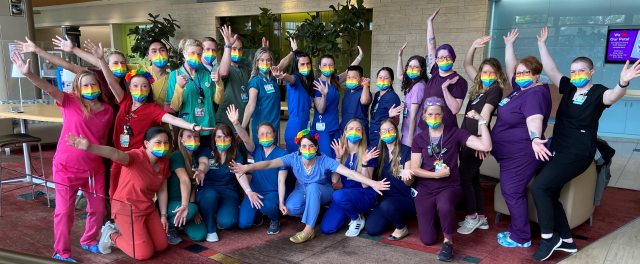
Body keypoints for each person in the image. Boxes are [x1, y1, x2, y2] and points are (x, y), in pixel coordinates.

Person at [530, 27, 640, 261]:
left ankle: (549, 238)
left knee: (540, 187)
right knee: (549, 192)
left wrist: (622, 83)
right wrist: (542, 45)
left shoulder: (598, 92)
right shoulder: (569, 87)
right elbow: (551, 69)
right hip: (557, 147)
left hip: (578, 152)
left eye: (581, 70)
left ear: (592, 71)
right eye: (573, 71)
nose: (577, 74)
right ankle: (567, 242)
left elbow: (612, 96)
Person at [11, 53, 114, 263]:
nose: (90, 88)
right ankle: (61, 252)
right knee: (64, 212)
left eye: (93, 84)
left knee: (98, 208)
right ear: (78, 88)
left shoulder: (108, 110)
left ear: (99, 86)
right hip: (66, 167)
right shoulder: (69, 101)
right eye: (85, 85)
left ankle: (89, 239)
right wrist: (28, 73)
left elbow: (101, 139)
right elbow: (48, 88)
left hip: (94, 169)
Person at [85, 42, 212, 197]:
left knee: (134, 194)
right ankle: (115, 220)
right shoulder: (124, 100)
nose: (140, 90)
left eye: (144, 86)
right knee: (114, 192)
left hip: (138, 161)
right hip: (118, 155)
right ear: (129, 88)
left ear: (149, 89)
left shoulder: (152, 109)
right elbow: (111, 82)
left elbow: (171, 118)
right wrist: (101, 60)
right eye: (136, 86)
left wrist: (192, 126)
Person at [229, 129, 390, 244]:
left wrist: (373, 183)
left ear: (316, 148)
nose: (307, 149)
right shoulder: (293, 158)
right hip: (302, 190)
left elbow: (350, 173)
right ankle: (313, 213)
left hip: (323, 190)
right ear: (299, 148)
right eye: (304, 146)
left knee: (313, 187)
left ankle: (309, 229)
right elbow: (269, 163)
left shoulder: (324, 159)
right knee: (290, 208)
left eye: (311, 146)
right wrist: (246, 167)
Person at [67, 127, 170, 261]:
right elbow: (115, 154)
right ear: (146, 143)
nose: (163, 146)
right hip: (126, 209)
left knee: (161, 245)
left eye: (166, 143)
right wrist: (89, 147)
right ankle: (110, 234)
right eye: (158, 142)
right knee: (143, 253)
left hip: (147, 208)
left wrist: (163, 215)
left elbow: (162, 190)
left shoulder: (164, 162)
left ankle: (135, 235)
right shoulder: (136, 156)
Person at [410, 97, 492, 262]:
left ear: (443, 115)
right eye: (430, 114)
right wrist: (435, 175)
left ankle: (448, 241)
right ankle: (437, 220)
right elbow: (414, 168)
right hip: (425, 188)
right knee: (428, 239)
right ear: (424, 116)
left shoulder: (455, 133)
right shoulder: (419, 139)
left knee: (445, 205)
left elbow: (486, 146)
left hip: (449, 186)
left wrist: (482, 121)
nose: (434, 118)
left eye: (437, 114)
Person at [492, 28, 552, 248]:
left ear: (536, 74)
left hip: (521, 154)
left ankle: (521, 237)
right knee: (512, 191)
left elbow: (534, 120)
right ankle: (521, 233)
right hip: (509, 155)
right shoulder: (520, 89)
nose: (520, 76)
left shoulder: (535, 93)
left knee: (512, 192)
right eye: (519, 73)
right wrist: (509, 46)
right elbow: (510, 69)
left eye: (526, 73)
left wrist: (536, 139)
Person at [456, 36, 506, 235]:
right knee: (474, 178)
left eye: (491, 72)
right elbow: (467, 63)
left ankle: (472, 216)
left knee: (464, 178)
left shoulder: (494, 90)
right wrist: (473, 46)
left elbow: (484, 116)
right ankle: (481, 217)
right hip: (467, 138)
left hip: (474, 140)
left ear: (497, 74)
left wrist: (481, 144)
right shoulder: (479, 87)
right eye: (484, 71)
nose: (487, 74)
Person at [216, 26, 295, 131]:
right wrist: (227, 46)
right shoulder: (221, 66)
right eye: (233, 48)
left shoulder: (245, 67)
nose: (237, 52)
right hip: (227, 120)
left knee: (245, 145)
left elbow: (279, 65)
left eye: (239, 49)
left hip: (246, 119)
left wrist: (293, 52)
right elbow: (250, 105)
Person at [227, 105, 288, 235]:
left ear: (274, 133)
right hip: (255, 192)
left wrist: (281, 201)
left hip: (272, 193)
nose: (265, 136)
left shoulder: (283, 153)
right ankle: (259, 215)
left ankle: (275, 219)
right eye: (262, 134)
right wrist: (236, 123)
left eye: (268, 133)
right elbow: (245, 138)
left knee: (268, 206)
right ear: (258, 137)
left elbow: (282, 180)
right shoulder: (256, 150)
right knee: (244, 224)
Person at [320, 119, 379, 236]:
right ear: (345, 133)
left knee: (337, 195)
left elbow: (366, 184)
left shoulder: (368, 151)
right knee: (327, 228)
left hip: (364, 194)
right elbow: (334, 180)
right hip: (345, 195)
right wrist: (338, 158)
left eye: (358, 129)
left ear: (362, 134)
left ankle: (357, 218)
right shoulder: (340, 151)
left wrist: (364, 164)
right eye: (351, 129)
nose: (354, 132)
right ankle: (351, 212)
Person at [166, 38, 224, 153]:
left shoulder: (206, 74)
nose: (196, 56)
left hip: (207, 126)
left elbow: (218, 101)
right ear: (184, 53)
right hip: (189, 128)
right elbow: (174, 108)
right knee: (190, 163)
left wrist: (219, 84)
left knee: (208, 161)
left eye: (199, 54)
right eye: (192, 53)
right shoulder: (175, 75)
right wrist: (179, 87)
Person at [364, 119, 415, 240]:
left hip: (405, 199)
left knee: (388, 205)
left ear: (396, 132)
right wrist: (365, 163)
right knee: (372, 229)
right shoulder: (377, 153)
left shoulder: (406, 150)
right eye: (384, 131)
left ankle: (401, 228)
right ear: (380, 135)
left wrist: (408, 176)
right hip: (384, 200)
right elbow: (366, 183)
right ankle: (392, 216)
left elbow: (409, 182)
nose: (387, 133)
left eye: (390, 129)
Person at [195, 124, 243, 242]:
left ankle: (215, 213)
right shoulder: (206, 151)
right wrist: (201, 171)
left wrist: (248, 191)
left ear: (231, 139)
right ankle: (211, 228)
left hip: (228, 192)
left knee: (228, 222)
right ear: (214, 139)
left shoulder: (236, 155)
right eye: (219, 137)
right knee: (211, 195)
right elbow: (204, 163)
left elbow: (240, 173)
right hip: (208, 191)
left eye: (226, 137)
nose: (222, 140)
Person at [421, 8, 468, 129]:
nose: (444, 60)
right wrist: (429, 23)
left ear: (453, 58)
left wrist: (445, 89)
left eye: (447, 57)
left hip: (445, 130)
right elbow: (431, 45)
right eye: (440, 57)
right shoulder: (435, 72)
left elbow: (455, 109)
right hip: (426, 127)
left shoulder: (459, 81)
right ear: (436, 60)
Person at [311, 50, 364, 157]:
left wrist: (360, 56)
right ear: (320, 67)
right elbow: (320, 109)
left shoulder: (336, 81)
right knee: (326, 156)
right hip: (322, 128)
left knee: (337, 156)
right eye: (324, 65)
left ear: (334, 66)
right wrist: (324, 95)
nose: (328, 67)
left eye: (330, 65)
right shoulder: (317, 84)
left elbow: (348, 71)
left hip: (335, 127)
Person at [166, 129, 208, 244]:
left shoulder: (194, 158)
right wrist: (187, 206)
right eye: (189, 136)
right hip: (171, 203)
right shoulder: (177, 155)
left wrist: (192, 207)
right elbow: (184, 180)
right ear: (181, 139)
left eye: (196, 136)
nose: (193, 140)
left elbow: (193, 186)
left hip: (186, 204)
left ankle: (181, 223)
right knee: (192, 209)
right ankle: (168, 226)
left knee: (201, 235)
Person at [272, 50, 314, 153]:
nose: (306, 66)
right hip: (295, 126)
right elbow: (291, 79)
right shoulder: (296, 79)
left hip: (306, 124)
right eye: (302, 64)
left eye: (308, 63)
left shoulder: (307, 83)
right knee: (295, 159)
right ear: (296, 66)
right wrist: (283, 76)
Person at [242, 47, 282, 146]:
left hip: (274, 127)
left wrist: (293, 52)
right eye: (262, 60)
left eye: (268, 60)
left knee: (272, 158)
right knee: (262, 157)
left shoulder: (273, 79)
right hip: (261, 129)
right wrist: (242, 127)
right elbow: (250, 105)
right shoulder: (255, 81)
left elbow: (283, 63)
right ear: (257, 62)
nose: (265, 63)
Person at [396, 43, 428, 148]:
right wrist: (400, 57)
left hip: (413, 136)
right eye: (409, 66)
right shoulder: (413, 83)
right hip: (406, 132)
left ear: (422, 69)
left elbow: (413, 116)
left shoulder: (418, 87)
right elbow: (400, 76)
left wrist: (410, 141)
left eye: (416, 67)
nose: (412, 69)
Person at [370, 67, 402, 146]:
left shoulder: (392, 97)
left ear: (391, 81)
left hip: (383, 136)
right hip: (372, 134)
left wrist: (390, 116)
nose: (382, 80)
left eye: (386, 78)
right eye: (380, 77)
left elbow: (396, 122)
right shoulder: (377, 94)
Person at [340, 65, 372, 135]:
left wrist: (365, 85)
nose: (350, 79)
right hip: (345, 131)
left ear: (361, 79)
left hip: (359, 132)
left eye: (354, 77)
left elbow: (364, 101)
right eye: (348, 77)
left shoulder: (364, 91)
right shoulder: (347, 92)